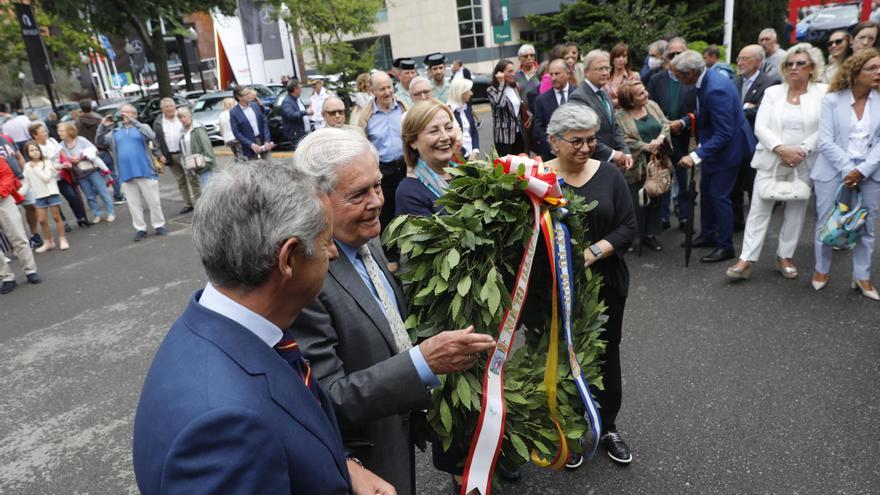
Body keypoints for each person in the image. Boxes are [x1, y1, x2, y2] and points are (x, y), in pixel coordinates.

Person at [132, 161, 396, 495]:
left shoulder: (231, 325)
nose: (332, 253)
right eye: (327, 240)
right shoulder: (224, 428)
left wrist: (345, 467)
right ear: (287, 259)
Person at [290, 128, 496, 495]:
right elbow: (329, 396)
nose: (376, 202)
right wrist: (422, 362)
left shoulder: (367, 239)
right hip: (361, 461)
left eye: (377, 186)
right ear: (316, 200)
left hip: (395, 438)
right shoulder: (310, 278)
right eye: (358, 194)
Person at [545, 103, 636, 466]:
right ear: (554, 141)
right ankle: (569, 428)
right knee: (560, 353)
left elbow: (628, 226)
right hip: (553, 286)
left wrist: (590, 253)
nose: (585, 149)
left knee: (605, 352)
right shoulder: (538, 178)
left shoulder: (610, 174)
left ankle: (608, 425)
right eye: (576, 141)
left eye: (591, 140)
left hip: (605, 282)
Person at [725, 43, 827, 281]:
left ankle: (785, 256)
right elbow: (760, 126)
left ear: (812, 68)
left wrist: (801, 150)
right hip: (771, 158)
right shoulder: (773, 92)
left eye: (800, 63)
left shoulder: (824, 92)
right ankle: (746, 259)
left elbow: (826, 128)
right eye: (789, 64)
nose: (794, 68)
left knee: (795, 209)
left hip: (804, 160)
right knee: (758, 210)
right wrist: (781, 149)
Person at [673, 50, 756, 263]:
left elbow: (724, 133)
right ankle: (708, 235)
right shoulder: (706, 80)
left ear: (690, 73)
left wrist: (696, 155)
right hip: (715, 148)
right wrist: (684, 122)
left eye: (678, 75)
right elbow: (706, 112)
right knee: (708, 195)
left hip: (728, 151)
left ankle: (725, 246)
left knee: (719, 196)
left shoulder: (715, 89)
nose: (677, 79)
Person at [811, 48, 880, 300]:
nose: (878, 72)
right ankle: (821, 270)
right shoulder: (832, 100)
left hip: (870, 172)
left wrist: (862, 170)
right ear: (855, 72)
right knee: (827, 221)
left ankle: (861, 276)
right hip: (832, 169)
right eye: (872, 68)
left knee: (866, 224)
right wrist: (848, 169)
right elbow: (826, 141)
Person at [357, 71, 408, 268]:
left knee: (406, 210)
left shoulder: (403, 107)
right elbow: (363, 143)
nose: (387, 92)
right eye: (382, 89)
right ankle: (392, 256)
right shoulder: (366, 115)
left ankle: (410, 247)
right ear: (372, 91)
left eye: (389, 87)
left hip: (405, 165)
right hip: (383, 170)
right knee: (385, 212)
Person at [647, 37, 697, 232]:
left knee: (683, 181)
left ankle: (684, 217)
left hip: (684, 138)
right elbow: (649, 106)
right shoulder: (656, 79)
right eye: (672, 54)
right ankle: (663, 217)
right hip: (662, 139)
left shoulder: (693, 79)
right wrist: (663, 125)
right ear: (665, 57)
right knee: (662, 179)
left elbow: (700, 109)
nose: (676, 57)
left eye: (680, 53)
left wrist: (683, 122)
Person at [97, 104, 167, 242]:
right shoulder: (115, 132)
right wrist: (103, 126)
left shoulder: (142, 128)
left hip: (145, 170)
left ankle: (159, 225)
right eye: (122, 113)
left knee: (154, 201)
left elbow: (152, 136)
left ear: (134, 114)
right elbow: (99, 141)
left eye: (127, 113)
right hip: (125, 173)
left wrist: (134, 121)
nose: (123, 115)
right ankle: (140, 228)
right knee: (134, 205)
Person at [615, 81, 672, 252]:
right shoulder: (620, 116)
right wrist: (644, 146)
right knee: (634, 201)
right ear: (630, 101)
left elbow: (666, 124)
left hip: (656, 161)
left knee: (655, 197)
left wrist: (661, 138)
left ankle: (650, 235)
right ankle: (632, 236)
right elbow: (622, 139)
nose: (646, 94)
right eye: (641, 93)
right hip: (635, 165)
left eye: (644, 90)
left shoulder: (653, 106)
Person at [733, 45, 782, 230]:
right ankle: (736, 223)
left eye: (744, 58)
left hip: (757, 144)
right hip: (736, 143)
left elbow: (762, 112)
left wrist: (744, 110)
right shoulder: (733, 82)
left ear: (758, 62)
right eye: (739, 58)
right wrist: (745, 108)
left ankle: (757, 225)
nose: (739, 62)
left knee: (755, 186)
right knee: (735, 186)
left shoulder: (771, 83)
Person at [569, 50, 633, 171]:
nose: (605, 73)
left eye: (607, 68)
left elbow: (614, 127)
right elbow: (582, 135)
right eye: (600, 69)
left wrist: (626, 152)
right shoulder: (579, 97)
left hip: (611, 166)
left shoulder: (604, 94)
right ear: (586, 71)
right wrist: (612, 154)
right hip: (591, 165)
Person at [396, 100, 456, 216]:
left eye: (448, 128)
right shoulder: (409, 192)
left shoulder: (466, 174)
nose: (445, 137)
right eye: (434, 131)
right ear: (412, 142)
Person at [29, 122, 89, 228]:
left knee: (72, 196)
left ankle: (80, 218)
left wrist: (66, 162)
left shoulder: (52, 141)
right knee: (55, 203)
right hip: (49, 179)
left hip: (61, 176)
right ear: (35, 135)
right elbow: (39, 164)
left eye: (45, 130)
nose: (46, 133)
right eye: (42, 132)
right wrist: (57, 166)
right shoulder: (34, 148)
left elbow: (62, 153)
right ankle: (63, 222)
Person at [58, 123, 115, 224]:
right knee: (89, 196)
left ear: (69, 131)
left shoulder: (81, 140)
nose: (59, 133)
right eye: (59, 131)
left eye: (62, 130)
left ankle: (111, 212)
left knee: (103, 191)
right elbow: (63, 159)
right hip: (79, 173)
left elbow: (95, 151)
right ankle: (97, 214)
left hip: (92, 170)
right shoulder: (61, 145)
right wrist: (70, 161)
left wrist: (81, 157)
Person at [0, 156, 41, 294]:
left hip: (3, 200)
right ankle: (6, 277)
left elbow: (7, 176)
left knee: (18, 236)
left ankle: (30, 271)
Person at [153, 97, 200, 215]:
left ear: (175, 106)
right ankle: (188, 204)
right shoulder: (158, 122)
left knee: (193, 178)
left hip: (186, 152)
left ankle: (200, 203)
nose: (170, 109)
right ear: (162, 109)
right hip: (170, 156)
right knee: (180, 180)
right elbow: (156, 141)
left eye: (171, 106)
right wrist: (159, 155)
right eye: (166, 107)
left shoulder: (181, 117)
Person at [22, 142, 69, 253]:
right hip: (39, 196)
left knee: (56, 217)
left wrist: (35, 168)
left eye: (36, 149)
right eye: (31, 150)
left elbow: (46, 178)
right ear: (27, 153)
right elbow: (26, 183)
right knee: (42, 220)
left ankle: (62, 239)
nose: (35, 152)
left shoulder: (47, 162)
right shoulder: (27, 166)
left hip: (51, 193)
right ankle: (48, 242)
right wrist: (18, 195)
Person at [76, 99, 124, 204]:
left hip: (87, 154)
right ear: (92, 107)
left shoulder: (77, 123)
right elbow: (107, 132)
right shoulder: (98, 120)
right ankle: (118, 195)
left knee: (94, 176)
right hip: (101, 149)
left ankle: (101, 197)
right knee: (112, 173)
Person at [533, 59, 575, 161]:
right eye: (551, 74)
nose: (553, 78)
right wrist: (553, 146)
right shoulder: (541, 100)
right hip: (552, 155)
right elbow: (539, 127)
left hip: (576, 152)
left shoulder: (578, 95)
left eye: (557, 74)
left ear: (568, 74)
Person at [488, 59, 530, 156]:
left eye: (513, 71)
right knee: (508, 168)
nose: (513, 74)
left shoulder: (514, 87)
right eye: (510, 71)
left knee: (522, 164)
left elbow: (518, 106)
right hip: (504, 137)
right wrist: (502, 84)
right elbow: (500, 103)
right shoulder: (491, 89)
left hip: (519, 133)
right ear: (500, 73)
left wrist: (528, 116)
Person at [229, 85, 273, 160]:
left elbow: (264, 123)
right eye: (247, 94)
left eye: (249, 93)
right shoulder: (234, 112)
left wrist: (267, 140)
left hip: (263, 141)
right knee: (254, 169)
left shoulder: (255, 105)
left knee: (270, 166)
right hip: (249, 145)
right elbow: (236, 133)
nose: (250, 96)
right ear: (239, 97)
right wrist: (251, 145)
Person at [177, 107, 215, 189]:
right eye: (180, 117)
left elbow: (207, 146)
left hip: (202, 165)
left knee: (208, 190)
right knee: (199, 190)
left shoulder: (198, 129)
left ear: (190, 116)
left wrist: (206, 161)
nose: (183, 119)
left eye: (184, 116)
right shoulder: (182, 132)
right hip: (191, 165)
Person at [447, 78, 480, 160]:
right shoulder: (448, 111)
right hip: (458, 156)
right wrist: (466, 154)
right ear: (461, 92)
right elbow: (451, 138)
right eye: (469, 90)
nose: (471, 93)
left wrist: (475, 150)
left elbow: (473, 131)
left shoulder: (467, 107)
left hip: (472, 155)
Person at [605, 43, 641, 108]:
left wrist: (613, 102)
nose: (621, 60)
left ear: (627, 59)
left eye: (624, 56)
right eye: (618, 56)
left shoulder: (634, 76)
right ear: (612, 59)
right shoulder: (605, 77)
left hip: (628, 113)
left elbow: (635, 98)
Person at [280, 79, 312, 150]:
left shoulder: (297, 99)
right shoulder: (287, 102)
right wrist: (306, 112)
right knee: (300, 154)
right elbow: (290, 115)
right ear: (295, 89)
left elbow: (300, 112)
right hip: (296, 135)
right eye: (300, 87)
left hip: (303, 133)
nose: (301, 89)